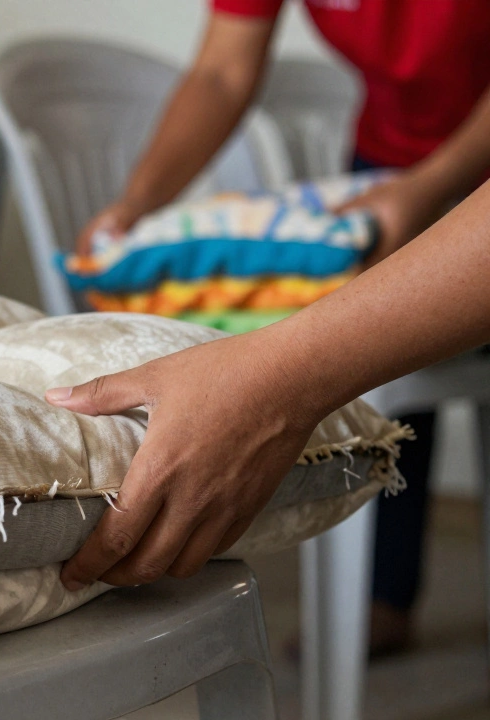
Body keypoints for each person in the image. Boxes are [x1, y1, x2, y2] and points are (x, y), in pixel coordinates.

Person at [73, 0, 490, 655]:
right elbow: (220, 72)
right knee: (394, 350)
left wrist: (279, 379)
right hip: (384, 161)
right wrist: (136, 204)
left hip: (462, 159)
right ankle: (383, 596)